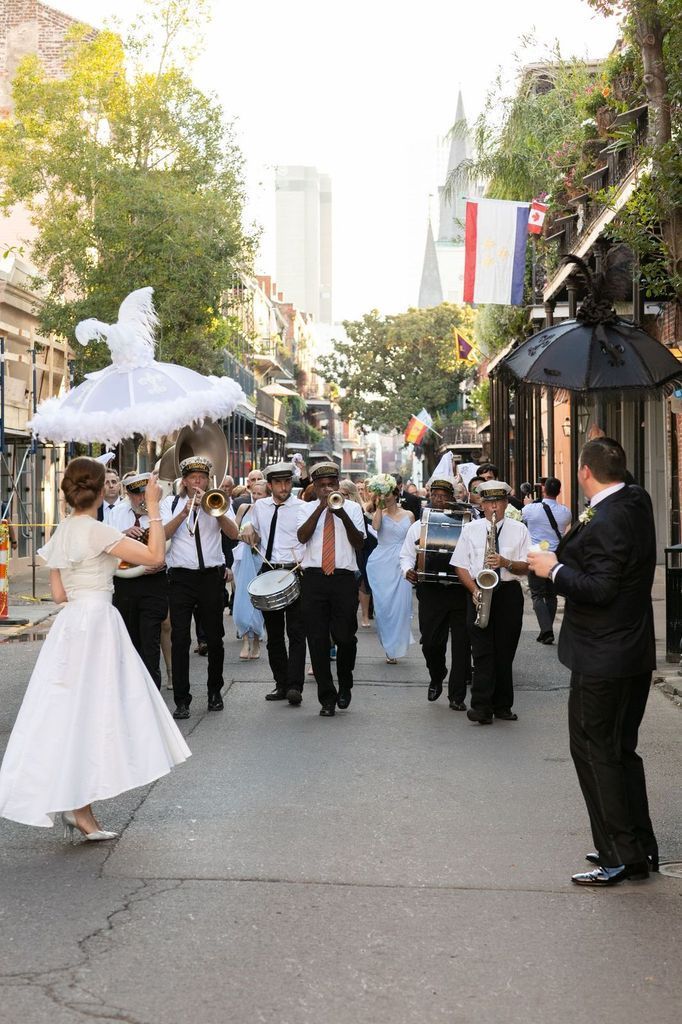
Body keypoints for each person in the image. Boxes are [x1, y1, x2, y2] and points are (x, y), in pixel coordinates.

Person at [0, 457, 190, 839]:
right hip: (98, 623)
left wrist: (104, 567)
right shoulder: (99, 530)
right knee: (99, 713)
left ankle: (78, 804)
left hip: (70, 626)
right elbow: (155, 557)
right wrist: (153, 506)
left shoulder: (63, 531)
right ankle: (80, 807)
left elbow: (57, 593)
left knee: (68, 712)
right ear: (103, 489)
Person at [528, 437, 658, 886]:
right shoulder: (635, 500)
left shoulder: (607, 517)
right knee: (620, 750)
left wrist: (553, 570)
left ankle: (618, 854)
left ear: (584, 472)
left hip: (603, 656)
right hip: (631, 651)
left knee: (593, 750)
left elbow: (600, 589)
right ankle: (638, 846)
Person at [161, 455, 239, 720]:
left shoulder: (218, 502)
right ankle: (181, 699)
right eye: (193, 478)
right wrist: (184, 513)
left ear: (208, 479)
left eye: (202, 477)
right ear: (184, 481)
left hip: (210, 577)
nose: (197, 482)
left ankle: (215, 692)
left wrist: (215, 512)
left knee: (215, 638)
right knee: (180, 639)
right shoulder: (170, 503)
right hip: (181, 578)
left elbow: (233, 533)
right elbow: (162, 535)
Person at [452, 480, 530, 725]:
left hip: (508, 592)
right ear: (482, 504)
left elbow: (527, 567)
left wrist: (506, 562)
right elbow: (460, 565)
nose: (493, 507)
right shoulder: (471, 529)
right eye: (488, 502)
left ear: (506, 503)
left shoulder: (520, 530)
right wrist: (474, 590)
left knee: (505, 651)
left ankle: (503, 705)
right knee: (482, 651)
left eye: (498, 501)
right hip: (479, 591)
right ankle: (481, 707)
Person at [297, 462, 366, 716]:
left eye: (331, 485)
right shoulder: (305, 508)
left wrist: (341, 514)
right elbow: (302, 537)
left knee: (345, 636)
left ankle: (345, 683)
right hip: (314, 578)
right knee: (316, 638)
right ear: (315, 487)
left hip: (343, 579)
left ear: (338, 484)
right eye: (322, 486)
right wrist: (319, 510)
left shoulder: (353, 508)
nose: (327, 490)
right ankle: (326, 697)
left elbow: (358, 542)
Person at [400, 478, 471, 708]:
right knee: (430, 643)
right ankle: (437, 674)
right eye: (435, 496)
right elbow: (406, 555)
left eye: (444, 496)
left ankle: (457, 696)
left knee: (461, 644)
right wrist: (408, 570)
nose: (439, 500)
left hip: (460, 591)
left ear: (452, 498)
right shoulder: (419, 524)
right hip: (431, 591)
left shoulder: (466, 524)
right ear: (429, 497)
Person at [240, 462, 306, 703]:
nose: (284, 487)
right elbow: (254, 532)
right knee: (275, 634)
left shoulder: (302, 507)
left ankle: (295, 686)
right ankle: (281, 683)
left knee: (297, 632)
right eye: (278, 483)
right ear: (269, 485)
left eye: (287, 482)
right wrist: (247, 528)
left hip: (295, 571)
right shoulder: (261, 507)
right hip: (268, 570)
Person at [110, 472, 169, 688]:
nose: (142, 499)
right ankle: (132, 690)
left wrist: (161, 561)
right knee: (129, 639)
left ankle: (152, 689)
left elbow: (171, 542)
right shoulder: (116, 513)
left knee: (150, 640)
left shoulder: (161, 510)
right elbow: (107, 548)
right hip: (125, 583)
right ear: (128, 494)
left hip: (153, 582)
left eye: (145, 493)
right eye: (137, 495)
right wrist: (123, 534)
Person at [366, 478, 414, 663]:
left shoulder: (409, 514)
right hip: (381, 563)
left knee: (401, 605)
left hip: (402, 562)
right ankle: (388, 646)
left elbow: (413, 539)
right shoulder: (380, 513)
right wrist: (378, 505)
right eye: (382, 494)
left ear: (396, 494)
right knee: (383, 607)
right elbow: (376, 527)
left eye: (388, 494)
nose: (386, 497)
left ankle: (397, 645)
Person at [522, 476, 572, 645]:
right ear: (559, 492)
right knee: (551, 595)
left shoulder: (531, 509)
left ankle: (546, 630)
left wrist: (528, 503)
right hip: (554, 556)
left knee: (537, 594)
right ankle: (547, 630)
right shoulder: (565, 512)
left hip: (536, 554)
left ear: (543, 490)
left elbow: (524, 518)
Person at [232, 480, 267, 660]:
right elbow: (232, 531)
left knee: (257, 601)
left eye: (260, 494)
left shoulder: (268, 512)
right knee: (241, 599)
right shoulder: (243, 508)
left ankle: (256, 642)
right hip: (242, 558)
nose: (256, 497)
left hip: (260, 560)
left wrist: (256, 537)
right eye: (254, 493)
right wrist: (243, 531)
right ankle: (245, 638)